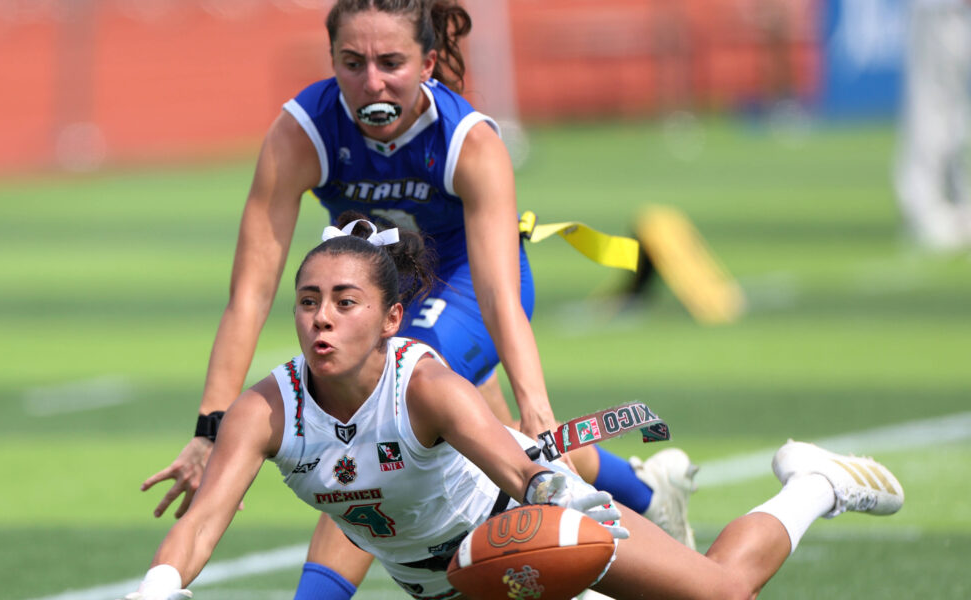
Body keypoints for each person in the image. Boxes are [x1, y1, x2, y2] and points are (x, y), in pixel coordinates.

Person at [142, 1, 697, 597]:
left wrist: (538, 406)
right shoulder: (301, 131)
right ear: (330, 60)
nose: (371, 82)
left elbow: (498, 293)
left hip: (467, 285)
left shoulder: (468, 140)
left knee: (378, 419)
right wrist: (209, 427)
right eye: (352, 63)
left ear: (429, 62)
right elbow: (250, 294)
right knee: (488, 436)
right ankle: (645, 490)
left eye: (391, 62)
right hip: (382, 286)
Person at [122, 224, 904, 600]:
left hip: (520, 539)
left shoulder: (423, 386)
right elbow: (201, 524)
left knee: (721, 595)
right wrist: (156, 588)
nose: (321, 318)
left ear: (391, 319)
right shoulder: (268, 407)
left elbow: (522, 471)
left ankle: (813, 483)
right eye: (308, 303)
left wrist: (565, 507)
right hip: (441, 586)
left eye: (345, 302)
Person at [894, 0, 971, 250]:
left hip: (954, 12)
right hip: (937, 9)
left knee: (951, 110)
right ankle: (925, 208)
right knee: (930, 106)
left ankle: (953, 204)